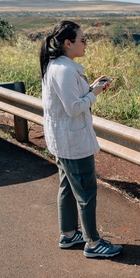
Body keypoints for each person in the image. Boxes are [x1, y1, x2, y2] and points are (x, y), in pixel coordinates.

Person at [40, 20, 122, 259]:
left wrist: (91, 88)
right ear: (67, 43)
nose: (86, 43)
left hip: (62, 139)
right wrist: (94, 93)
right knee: (86, 190)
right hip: (72, 142)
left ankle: (68, 234)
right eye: (82, 39)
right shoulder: (64, 70)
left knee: (67, 186)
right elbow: (74, 107)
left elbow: (71, 99)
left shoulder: (56, 65)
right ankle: (93, 242)